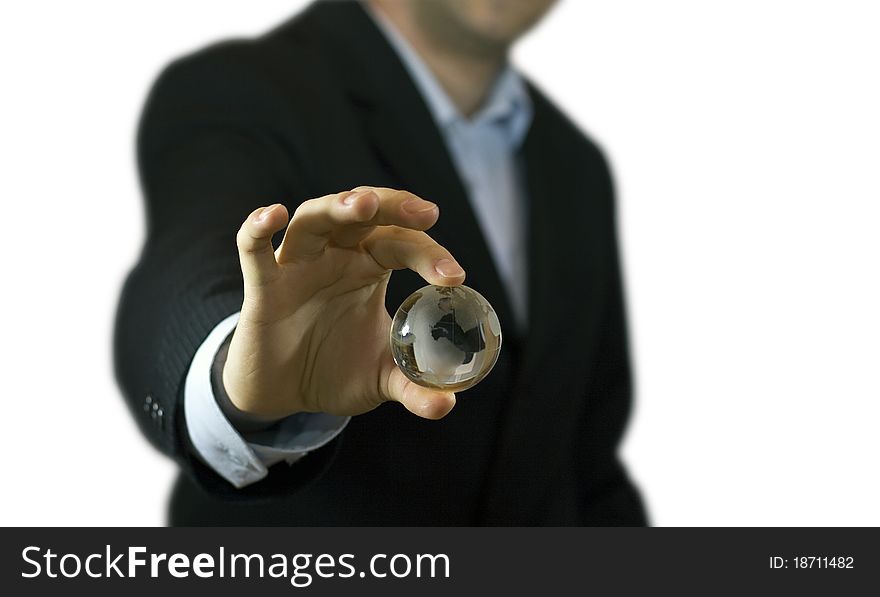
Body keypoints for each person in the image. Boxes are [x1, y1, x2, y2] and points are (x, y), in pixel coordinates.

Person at [114, 0, 648, 525]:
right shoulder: (240, 87)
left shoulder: (577, 166)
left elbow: (583, 461)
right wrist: (238, 368)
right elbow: (181, 268)